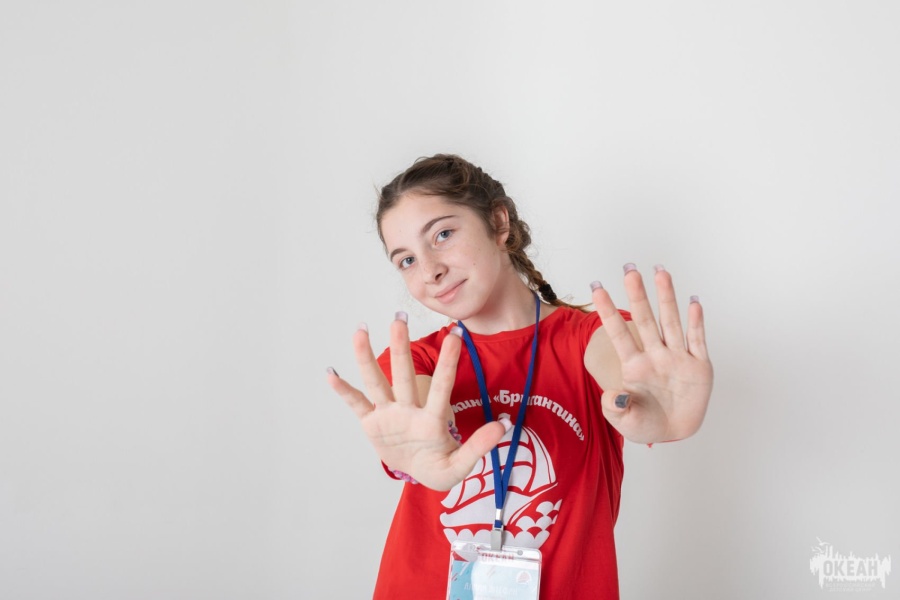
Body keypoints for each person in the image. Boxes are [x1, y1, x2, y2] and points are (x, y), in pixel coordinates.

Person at [326, 154, 713, 599]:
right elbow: (419, 399)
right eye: (407, 260)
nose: (429, 270)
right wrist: (425, 435)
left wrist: (653, 401)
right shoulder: (418, 360)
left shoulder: (592, 338)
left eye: (443, 235)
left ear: (498, 223)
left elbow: (623, 365)